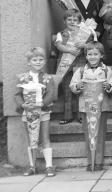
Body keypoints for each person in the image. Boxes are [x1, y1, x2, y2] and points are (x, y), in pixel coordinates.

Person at [70, 41, 112, 171]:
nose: (92, 57)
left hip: (102, 107)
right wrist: (77, 86)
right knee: (88, 134)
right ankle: (90, 162)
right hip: (86, 108)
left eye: (96, 54)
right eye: (90, 54)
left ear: (101, 55)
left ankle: (99, 161)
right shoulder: (80, 71)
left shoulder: (106, 70)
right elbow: (72, 85)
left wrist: (109, 86)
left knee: (100, 134)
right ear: (86, 56)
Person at [15, 47, 57, 177]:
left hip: (43, 112)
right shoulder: (22, 78)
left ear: (44, 61)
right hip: (27, 112)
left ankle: (49, 166)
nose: (38, 62)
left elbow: (51, 94)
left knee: (45, 138)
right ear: (29, 62)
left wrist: (42, 103)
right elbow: (18, 94)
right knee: (31, 139)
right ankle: (32, 166)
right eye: (35, 60)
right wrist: (22, 105)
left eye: (41, 59)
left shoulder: (47, 78)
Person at [55, 8, 88, 124]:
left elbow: (91, 46)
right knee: (67, 91)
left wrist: (84, 45)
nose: (72, 22)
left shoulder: (83, 34)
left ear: (79, 22)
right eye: (69, 19)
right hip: (65, 65)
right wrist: (69, 50)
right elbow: (59, 46)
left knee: (80, 90)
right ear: (64, 21)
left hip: (79, 64)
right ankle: (67, 115)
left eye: (75, 20)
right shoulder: (61, 34)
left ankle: (80, 115)